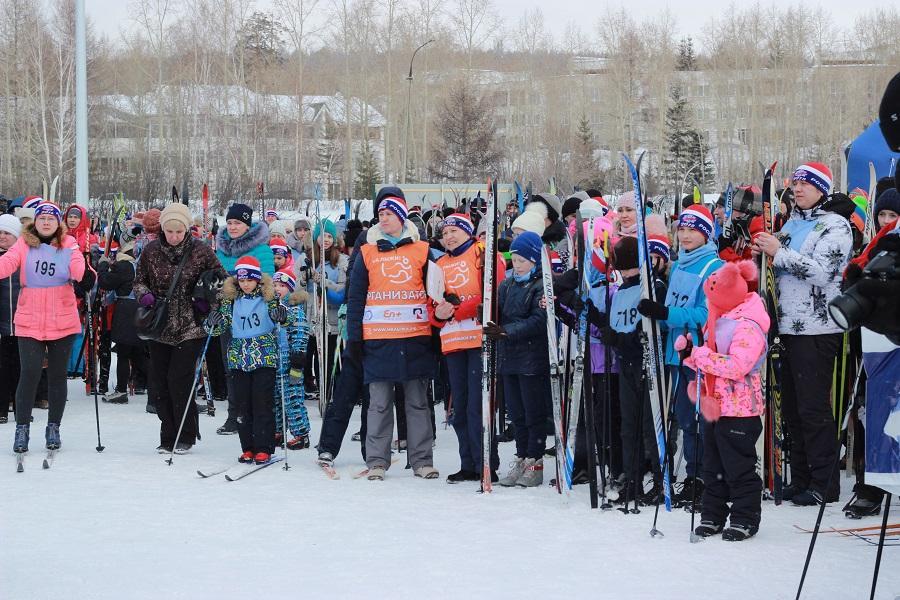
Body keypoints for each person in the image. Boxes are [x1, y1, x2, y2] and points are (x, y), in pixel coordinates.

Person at [753, 162, 853, 505]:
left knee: (813, 408)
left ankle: (825, 483)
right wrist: (762, 255)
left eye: (805, 184)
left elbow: (824, 274)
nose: (797, 189)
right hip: (784, 327)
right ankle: (801, 478)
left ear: (822, 189)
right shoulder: (794, 223)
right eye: (795, 184)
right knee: (791, 409)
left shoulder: (836, 226)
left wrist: (778, 252)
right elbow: (776, 267)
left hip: (818, 327)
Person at [346, 193, 439, 481]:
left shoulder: (423, 251)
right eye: (380, 215)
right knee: (379, 403)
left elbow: (438, 291)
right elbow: (356, 296)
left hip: (415, 337)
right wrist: (355, 337)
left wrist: (436, 333)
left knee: (417, 402)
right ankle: (377, 461)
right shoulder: (367, 252)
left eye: (388, 214)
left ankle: (422, 460)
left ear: (401, 217)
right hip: (379, 338)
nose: (382, 219)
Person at [637, 205, 723, 506]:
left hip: (699, 354)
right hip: (677, 356)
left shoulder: (713, 266)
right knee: (684, 420)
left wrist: (665, 313)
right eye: (681, 230)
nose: (685, 235)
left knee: (699, 420)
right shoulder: (679, 266)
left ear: (706, 234)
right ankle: (690, 477)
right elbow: (671, 313)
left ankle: (703, 477)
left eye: (692, 230)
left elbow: (704, 315)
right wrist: (653, 317)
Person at [683, 260, 770, 541]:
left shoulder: (747, 324)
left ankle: (745, 517)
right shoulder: (720, 318)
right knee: (713, 464)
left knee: (739, 466)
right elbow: (710, 359)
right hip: (716, 404)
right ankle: (713, 513)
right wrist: (692, 355)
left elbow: (737, 366)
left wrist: (702, 357)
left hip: (740, 408)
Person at [133, 203, 225, 454]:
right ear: (163, 229)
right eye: (170, 231)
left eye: (179, 231)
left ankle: (185, 434)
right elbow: (138, 280)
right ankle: (167, 434)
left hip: (191, 326)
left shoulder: (202, 251)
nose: (174, 236)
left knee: (179, 381)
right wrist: (144, 296)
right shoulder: (151, 251)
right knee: (160, 384)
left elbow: (221, 280)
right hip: (160, 326)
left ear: (187, 230)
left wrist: (208, 299)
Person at [0, 202, 85, 453]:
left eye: (51, 219)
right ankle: (22, 429)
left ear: (57, 222)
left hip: (62, 319)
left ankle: (53, 427)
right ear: (35, 222)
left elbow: (80, 269)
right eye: (42, 218)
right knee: (29, 375)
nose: (46, 222)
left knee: (58, 377)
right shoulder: (23, 245)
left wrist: (85, 270)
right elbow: (6, 264)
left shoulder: (68, 244)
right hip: (30, 320)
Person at [430, 213, 503, 483]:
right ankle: (468, 463)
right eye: (444, 233)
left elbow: (495, 292)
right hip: (452, 341)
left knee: (477, 406)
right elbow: (432, 305)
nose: (448, 236)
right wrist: (439, 312)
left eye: (453, 231)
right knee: (458, 407)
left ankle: (486, 462)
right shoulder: (438, 263)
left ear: (467, 231)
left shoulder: (482, 253)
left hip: (479, 339)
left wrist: (462, 309)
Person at [600, 235, 668, 506]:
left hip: (648, 363)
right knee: (628, 427)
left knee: (652, 427)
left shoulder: (653, 286)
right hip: (625, 364)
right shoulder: (620, 291)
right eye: (622, 268)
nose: (626, 273)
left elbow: (650, 327)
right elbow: (612, 323)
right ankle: (633, 479)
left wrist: (620, 340)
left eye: (630, 267)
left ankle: (662, 481)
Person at [205, 256, 289, 464]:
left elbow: (284, 318)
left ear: (258, 280)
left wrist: (282, 315)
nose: (245, 284)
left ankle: (264, 447)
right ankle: (248, 447)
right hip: (239, 357)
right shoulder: (230, 299)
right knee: (243, 405)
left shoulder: (269, 297)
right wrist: (211, 323)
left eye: (249, 280)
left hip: (264, 356)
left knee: (262, 403)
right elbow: (221, 327)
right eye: (241, 280)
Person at [487, 232, 550, 488]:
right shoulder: (507, 284)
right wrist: (488, 315)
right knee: (516, 414)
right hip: (509, 358)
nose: (517, 264)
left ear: (534, 261)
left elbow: (539, 320)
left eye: (523, 260)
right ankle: (522, 456)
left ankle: (534, 461)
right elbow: (499, 309)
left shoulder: (541, 285)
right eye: (514, 259)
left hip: (531, 358)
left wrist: (507, 331)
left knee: (532, 412)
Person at [214, 202, 273, 435]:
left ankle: (256, 416)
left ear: (247, 224)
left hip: (256, 318)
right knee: (232, 367)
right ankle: (234, 415)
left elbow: (267, 283)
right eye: (229, 223)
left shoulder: (261, 249)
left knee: (257, 370)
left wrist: (235, 283)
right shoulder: (222, 249)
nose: (232, 227)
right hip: (230, 315)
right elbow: (215, 276)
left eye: (237, 223)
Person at [96, 233, 145, 404]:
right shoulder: (140, 264)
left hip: (127, 310)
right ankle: (147, 386)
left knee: (125, 351)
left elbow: (105, 282)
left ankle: (122, 390)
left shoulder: (125, 266)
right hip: (141, 309)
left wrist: (102, 265)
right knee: (139, 351)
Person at [272, 268, 311, 449]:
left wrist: (297, 361)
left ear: (290, 288)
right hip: (274, 360)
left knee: (292, 398)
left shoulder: (295, 310)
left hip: (290, 361)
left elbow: (301, 335)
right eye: (275, 285)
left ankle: (301, 433)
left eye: (282, 285)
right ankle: (278, 430)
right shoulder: (272, 308)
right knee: (276, 399)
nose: (278, 288)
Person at [311, 218, 348, 398]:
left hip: (334, 320)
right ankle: (323, 392)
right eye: (321, 236)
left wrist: (324, 284)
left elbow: (342, 290)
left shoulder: (341, 260)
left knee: (335, 356)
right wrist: (306, 280)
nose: (325, 240)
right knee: (320, 360)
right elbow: (298, 289)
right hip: (315, 319)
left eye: (328, 236)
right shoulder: (307, 259)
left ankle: (337, 393)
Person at [0, 214, 22, 424]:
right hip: (3, 325)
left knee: (21, 366)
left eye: (7, 233)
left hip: (22, 324)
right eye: (0, 233)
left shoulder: (24, 258)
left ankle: (20, 407)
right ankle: (2, 408)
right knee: (3, 366)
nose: (2, 236)